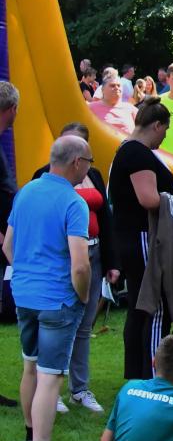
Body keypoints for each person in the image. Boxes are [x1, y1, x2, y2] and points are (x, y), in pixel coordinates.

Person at [4, 135, 93, 441]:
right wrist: (83, 297)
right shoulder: (73, 202)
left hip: (24, 295)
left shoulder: (26, 192)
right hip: (58, 300)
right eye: (89, 162)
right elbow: (81, 265)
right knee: (50, 377)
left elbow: (8, 245)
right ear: (76, 162)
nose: (89, 169)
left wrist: (27, 274)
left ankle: (31, 439)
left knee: (30, 367)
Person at [30, 124, 117, 415]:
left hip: (93, 253)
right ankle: (50, 387)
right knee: (57, 323)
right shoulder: (44, 178)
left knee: (83, 325)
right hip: (64, 258)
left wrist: (112, 262)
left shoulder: (94, 175)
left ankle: (79, 388)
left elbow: (106, 217)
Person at [108, 97, 173, 379]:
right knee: (156, 306)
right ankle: (153, 377)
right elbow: (148, 199)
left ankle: (136, 375)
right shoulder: (138, 154)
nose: (164, 137)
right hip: (142, 238)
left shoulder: (125, 149)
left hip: (129, 237)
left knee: (139, 307)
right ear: (157, 125)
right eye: (166, 130)